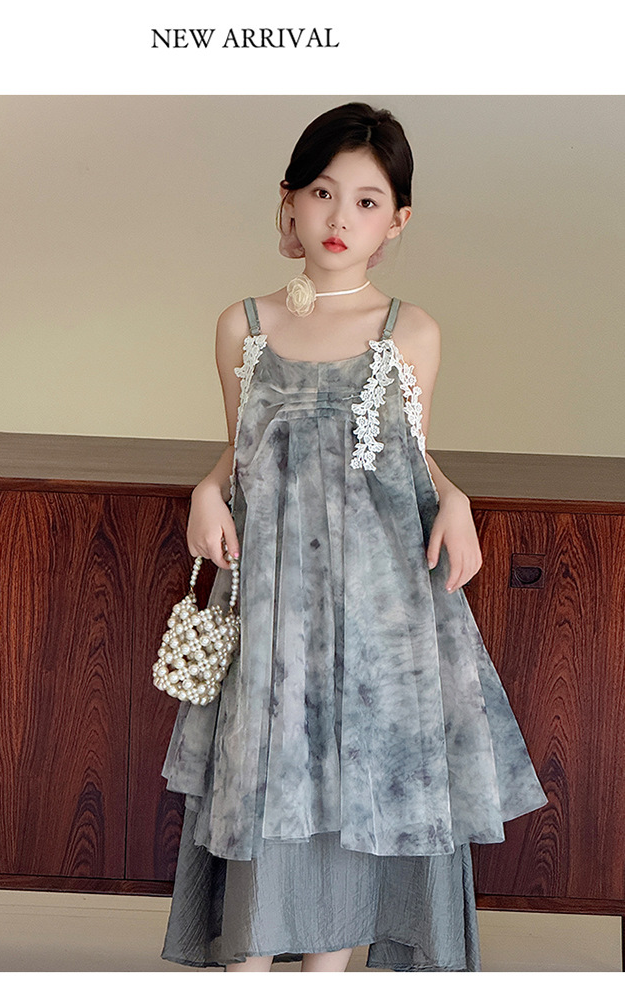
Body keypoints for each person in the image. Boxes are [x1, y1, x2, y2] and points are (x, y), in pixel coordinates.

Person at [159, 102, 547, 972]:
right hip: (271, 602)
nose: (340, 217)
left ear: (397, 221)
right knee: (267, 778)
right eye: (322, 193)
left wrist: (456, 496)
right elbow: (243, 448)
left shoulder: (412, 332)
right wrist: (206, 489)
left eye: (367, 201)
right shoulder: (242, 326)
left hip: (380, 608)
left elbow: (406, 454)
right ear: (289, 201)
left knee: (355, 784)